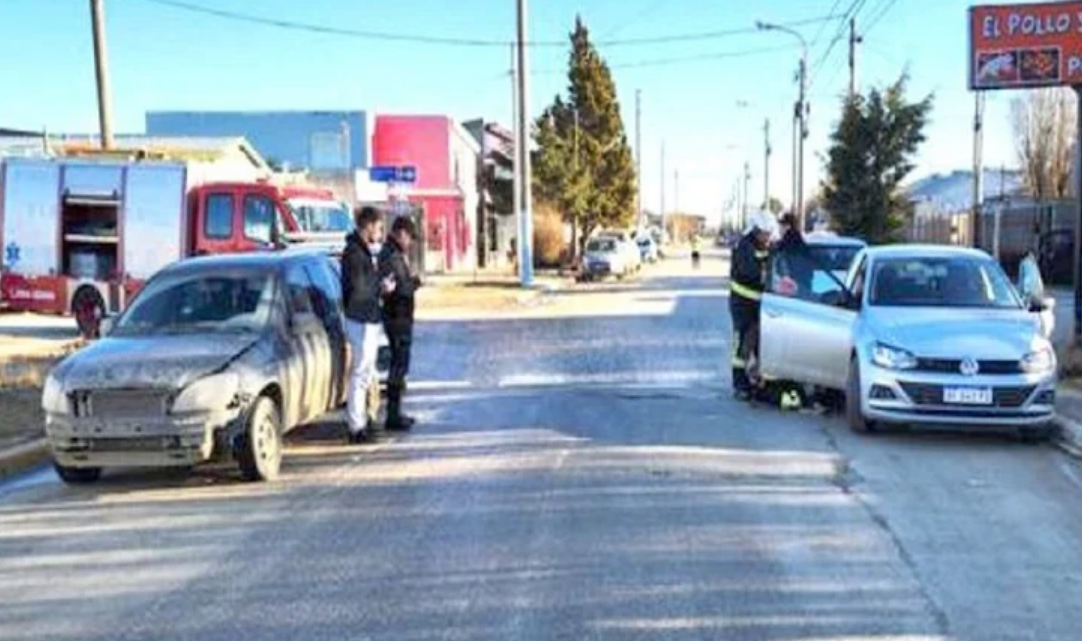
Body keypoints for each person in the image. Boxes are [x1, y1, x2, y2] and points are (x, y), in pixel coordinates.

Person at [341, 206, 395, 444]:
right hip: (360, 319)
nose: (380, 233)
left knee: (366, 373)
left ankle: (362, 421)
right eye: (379, 227)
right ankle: (356, 426)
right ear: (369, 226)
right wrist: (381, 287)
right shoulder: (354, 253)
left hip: (368, 317)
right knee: (360, 374)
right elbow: (359, 289)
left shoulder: (363, 252)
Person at [378, 216, 422, 431]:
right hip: (397, 317)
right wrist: (414, 282)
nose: (410, 242)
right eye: (409, 237)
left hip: (401, 317)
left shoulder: (395, 254)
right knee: (397, 367)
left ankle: (397, 413)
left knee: (400, 366)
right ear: (401, 233)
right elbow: (395, 288)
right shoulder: (390, 256)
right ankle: (392, 416)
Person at [729, 210, 775, 401]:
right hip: (743, 303)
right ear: (755, 231)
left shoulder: (768, 246)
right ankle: (740, 384)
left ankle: (761, 381)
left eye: (769, 233)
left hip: (761, 304)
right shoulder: (744, 246)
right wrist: (769, 275)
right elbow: (751, 273)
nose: (767, 237)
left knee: (762, 343)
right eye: (764, 233)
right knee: (742, 344)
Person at [773, 212, 812, 296]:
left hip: (790, 290)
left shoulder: (783, 246)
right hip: (804, 288)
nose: (779, 229)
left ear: (787, 226)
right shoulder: (802, 244)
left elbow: (783, 268)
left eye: (781, 226)